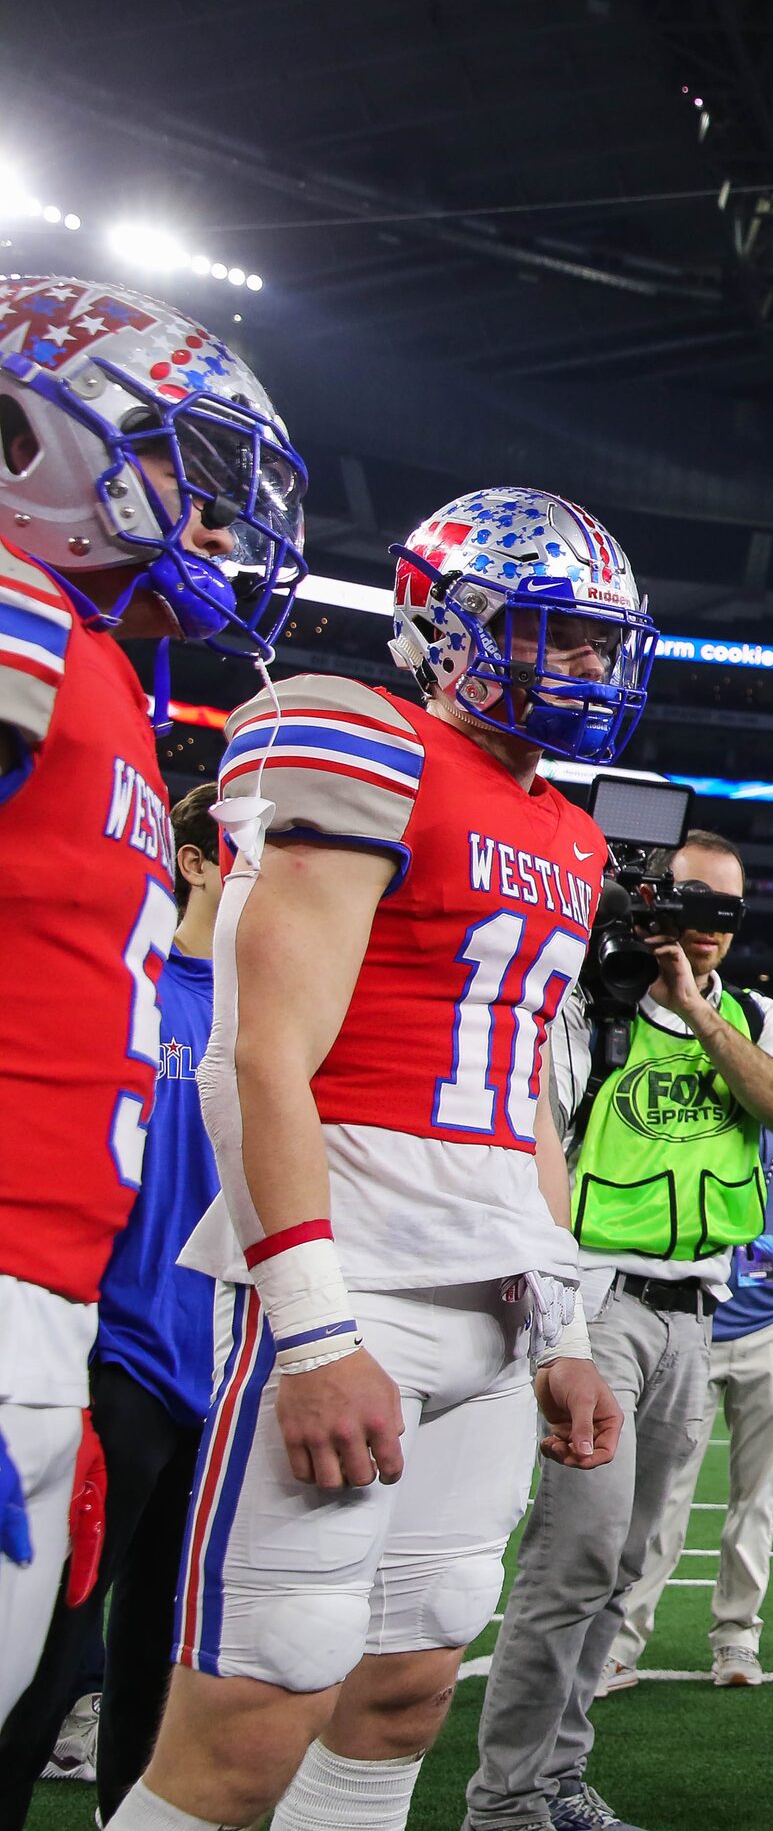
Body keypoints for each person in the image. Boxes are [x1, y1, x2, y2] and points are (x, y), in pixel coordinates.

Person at [111, 486, 648, 1831]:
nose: (587, 667)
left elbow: (524, 1100)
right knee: (254, 1713)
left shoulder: (571, 832)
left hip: (495, 1294)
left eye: (602, 643)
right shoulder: (360, 737)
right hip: (360, 1276)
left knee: (407, 1684)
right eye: (556, 636)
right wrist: (310, 1331)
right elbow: (258, 1048)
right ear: (443, 622)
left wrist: (568, 1320)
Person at [0, 275, 307, 1728]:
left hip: (52, 1292)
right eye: (189, 485)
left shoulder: (102, 670)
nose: (220, 530)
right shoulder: (16, 615)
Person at [469, 828, 773, 1830]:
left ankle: (556, 1781)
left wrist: (698, 1013)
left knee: (626, 1565)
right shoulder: (582, 1016)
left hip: (695, 1318)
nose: (706, 929)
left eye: (726, 914)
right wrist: (559, 1329)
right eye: (688, 904)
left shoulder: (755, 1017)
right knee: (574, 1551)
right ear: (645, 902)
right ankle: (504, 1801)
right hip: (600, 1301)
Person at [0, 787, 235, 1829]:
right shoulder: (137, 994)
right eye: (250, 857)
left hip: (224, 1379)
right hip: (117, 1363)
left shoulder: (282, 1017)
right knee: (47, 1656)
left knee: (162, 1657)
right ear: (193, 861)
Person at [602, 1117, 773, 1695]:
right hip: (692, 1321)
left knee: (756, 1492)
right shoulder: (700, 1116)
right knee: (661, 1492)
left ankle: (738, 1634)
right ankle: (620, 1643)